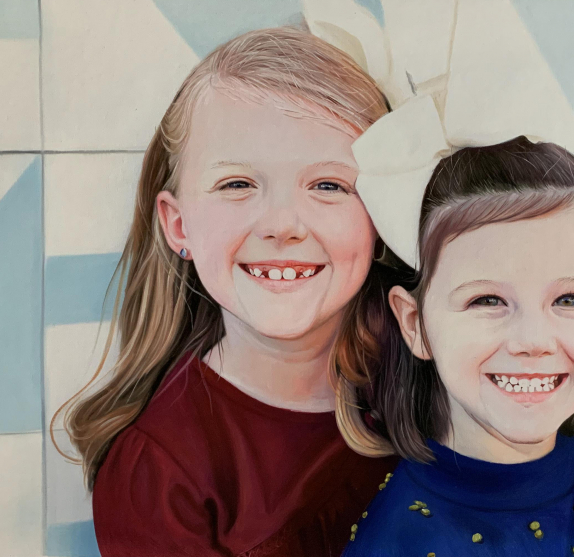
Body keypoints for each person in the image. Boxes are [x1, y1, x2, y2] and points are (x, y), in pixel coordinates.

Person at [52, 27, 398, 557]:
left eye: (329, 185)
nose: (282, 225)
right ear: (179, 225)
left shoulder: (435, 382)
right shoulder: (158, 475)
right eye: (238, 184)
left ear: (382, 218)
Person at [335, 135, 574, 557]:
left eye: (569, 300)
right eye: (487, 301)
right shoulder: (397, 538)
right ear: (416, 325)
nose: (532, 341)